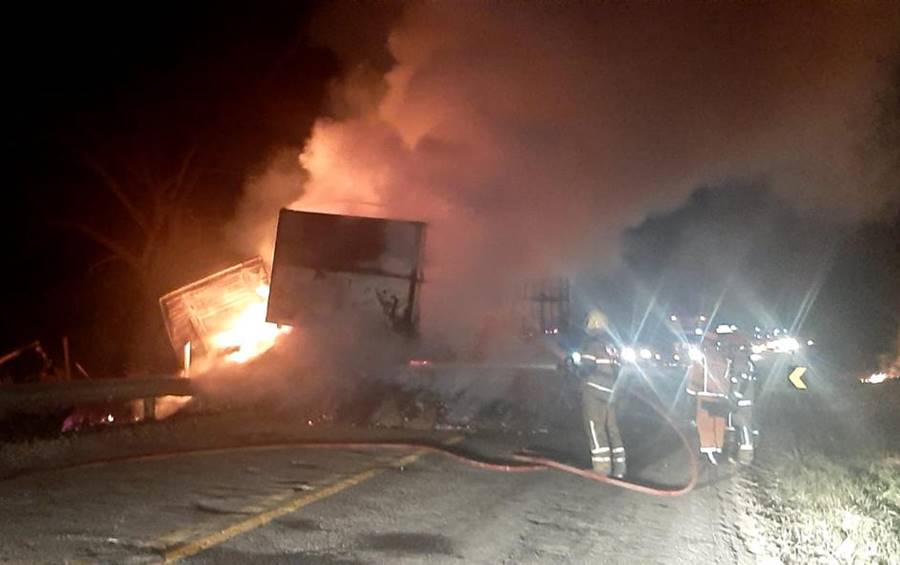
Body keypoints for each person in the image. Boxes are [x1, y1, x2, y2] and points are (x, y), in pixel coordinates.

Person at [577, 309, 626, 478]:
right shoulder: (612, 345)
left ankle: (602, 468)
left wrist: (574, 368)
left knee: (595, 427)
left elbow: (586, 369)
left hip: (594, 391)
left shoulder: (592, 344)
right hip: (611, 393)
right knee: (612, 428)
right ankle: (620, 468)